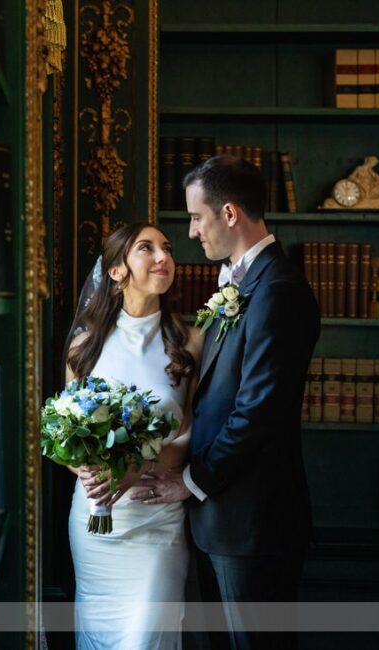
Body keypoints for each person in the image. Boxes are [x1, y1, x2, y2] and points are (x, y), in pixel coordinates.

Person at [137, 155, 320, 650]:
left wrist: (191, 482)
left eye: (197, 217)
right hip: (220, 521)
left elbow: (257, 412)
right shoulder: (240, 285)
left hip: (252, 524)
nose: (193, 231)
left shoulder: (278, 291)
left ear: (231, 214)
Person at [64, 221, 203, 649]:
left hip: (156, 518)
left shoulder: (190, 342)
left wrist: (135, 467)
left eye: (167, 248)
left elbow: (194, 434)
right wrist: (84, 471)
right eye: (147, 248)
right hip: (96, 522)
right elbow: (65, 435)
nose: (164, 258)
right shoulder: (83, 346)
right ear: (116, 270)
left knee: (146, 639)